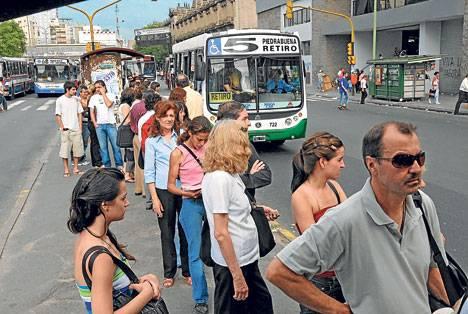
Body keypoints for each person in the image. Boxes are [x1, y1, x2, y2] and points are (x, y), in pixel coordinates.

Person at [266, 121, 449, 313]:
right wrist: (339, 310)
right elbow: (279, 272)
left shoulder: (422, 205)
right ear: (372, 165)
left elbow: (432, 270)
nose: (416, 168)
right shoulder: (343, 220)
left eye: (420, 158)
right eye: (402, 160)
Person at [202, 120, 274, 314]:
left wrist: (256, 209)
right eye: (242, 141)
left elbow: (233, 208)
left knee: (262, 306)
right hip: (234, 265)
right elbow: (221, 233)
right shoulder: (219, 179)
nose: (247, 148)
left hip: (246, 260)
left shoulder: (229, 175)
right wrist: (237, 276)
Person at [67, 168, 161, 313]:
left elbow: (113, 287)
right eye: (122, 198)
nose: (127, 203)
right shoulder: (101, 257)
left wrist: (145, 281)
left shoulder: (90, 235)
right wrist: (147, 293)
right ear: (104, 205)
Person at [290, 132, 346, 314]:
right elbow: (315, 245)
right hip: (319, 282)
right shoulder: (301, 196)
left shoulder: (334, 187)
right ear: (322, 162)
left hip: (344, 277)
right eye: (339, 160)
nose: (343, 165)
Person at [167, 116, 212, 314]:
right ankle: (200, 299)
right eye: (199, 139)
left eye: (205, 139)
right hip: (190, 202)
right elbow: (170, 186)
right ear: (190, 134)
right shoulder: (178, 153)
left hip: (210, 200)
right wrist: (187, 193)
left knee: (220, 247)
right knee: (195, 253)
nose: (202, 143)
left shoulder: (210, 147)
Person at [144, 100, 191, 289]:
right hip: (163, 191)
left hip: (183, 188)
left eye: (172, 115)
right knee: (167, 232)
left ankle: (188, 270)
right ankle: (169, 272)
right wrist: (154, 198)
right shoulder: (152, 142)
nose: (169, 119)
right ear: (158, 118)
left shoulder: (181, 138)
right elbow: (149, 172)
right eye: (165, 116)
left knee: (185, 230)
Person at [216, 101, 272, 199]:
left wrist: (246, 179)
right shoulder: (214, 148)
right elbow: (223, 183)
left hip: (247, 206)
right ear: (230, 123)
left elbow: (265, 175)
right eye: (244, 119)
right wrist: (249, 175)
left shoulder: (245, 144)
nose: (249, 123)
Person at [89, 80, 123, 169]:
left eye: (99, 87)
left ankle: (119, 165)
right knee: (103, 148)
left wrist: (104, 94)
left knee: (116, 146)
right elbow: (91, 111)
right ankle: (107, 166)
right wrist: (95, 123)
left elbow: (108, 104)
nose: (97, 89)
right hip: (99, 125)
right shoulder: (93, 98)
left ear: (104, 87)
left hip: (110, 124)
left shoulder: (111, 95)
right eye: (96, 87)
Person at [55, 81, 84, 177]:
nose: (75, 91)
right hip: (66, 129)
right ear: (67, 89)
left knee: (77, 150)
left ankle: (75, 168)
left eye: (75, 89)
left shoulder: (76, 100)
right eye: (73, 89)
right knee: (65, 151)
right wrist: (62, 127)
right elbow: (58, 115)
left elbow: (80, 113)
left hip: (76, 128)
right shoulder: (60, 100)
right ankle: (66, 169)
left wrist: (80, 127)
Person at [129, 87, 147, 196]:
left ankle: (138, 188)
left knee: (137, 163)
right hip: (143, 137)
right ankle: (145, 191)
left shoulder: (135, 106)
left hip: (135, 136)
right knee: (145, 163)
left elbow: (131, 122)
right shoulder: (146, 109)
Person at [118, 88, 136, 183]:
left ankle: (128, 172)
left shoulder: (123, 105)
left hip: (125, 130)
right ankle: (127, 174)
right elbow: (128, 120)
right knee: (130, 153)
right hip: (127, 131)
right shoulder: (125, 106)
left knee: (127, 153)